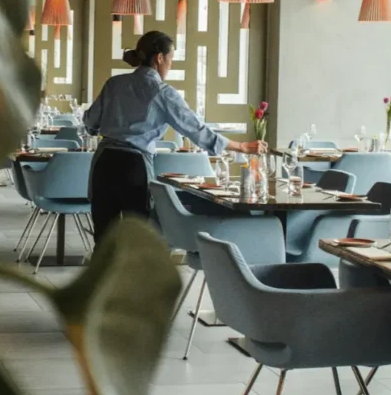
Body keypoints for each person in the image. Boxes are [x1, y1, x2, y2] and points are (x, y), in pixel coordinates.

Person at [83, 30, 266, 245]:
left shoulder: (114, 84)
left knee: (103, 239)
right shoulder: (162, 92)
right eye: (170, 59)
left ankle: (102, 279)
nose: (170, 65)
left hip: (103, 163)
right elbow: (195, 129)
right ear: (159, 58)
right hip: (133, 168)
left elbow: (89, 123)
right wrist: (241, 146)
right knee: (138, 241)